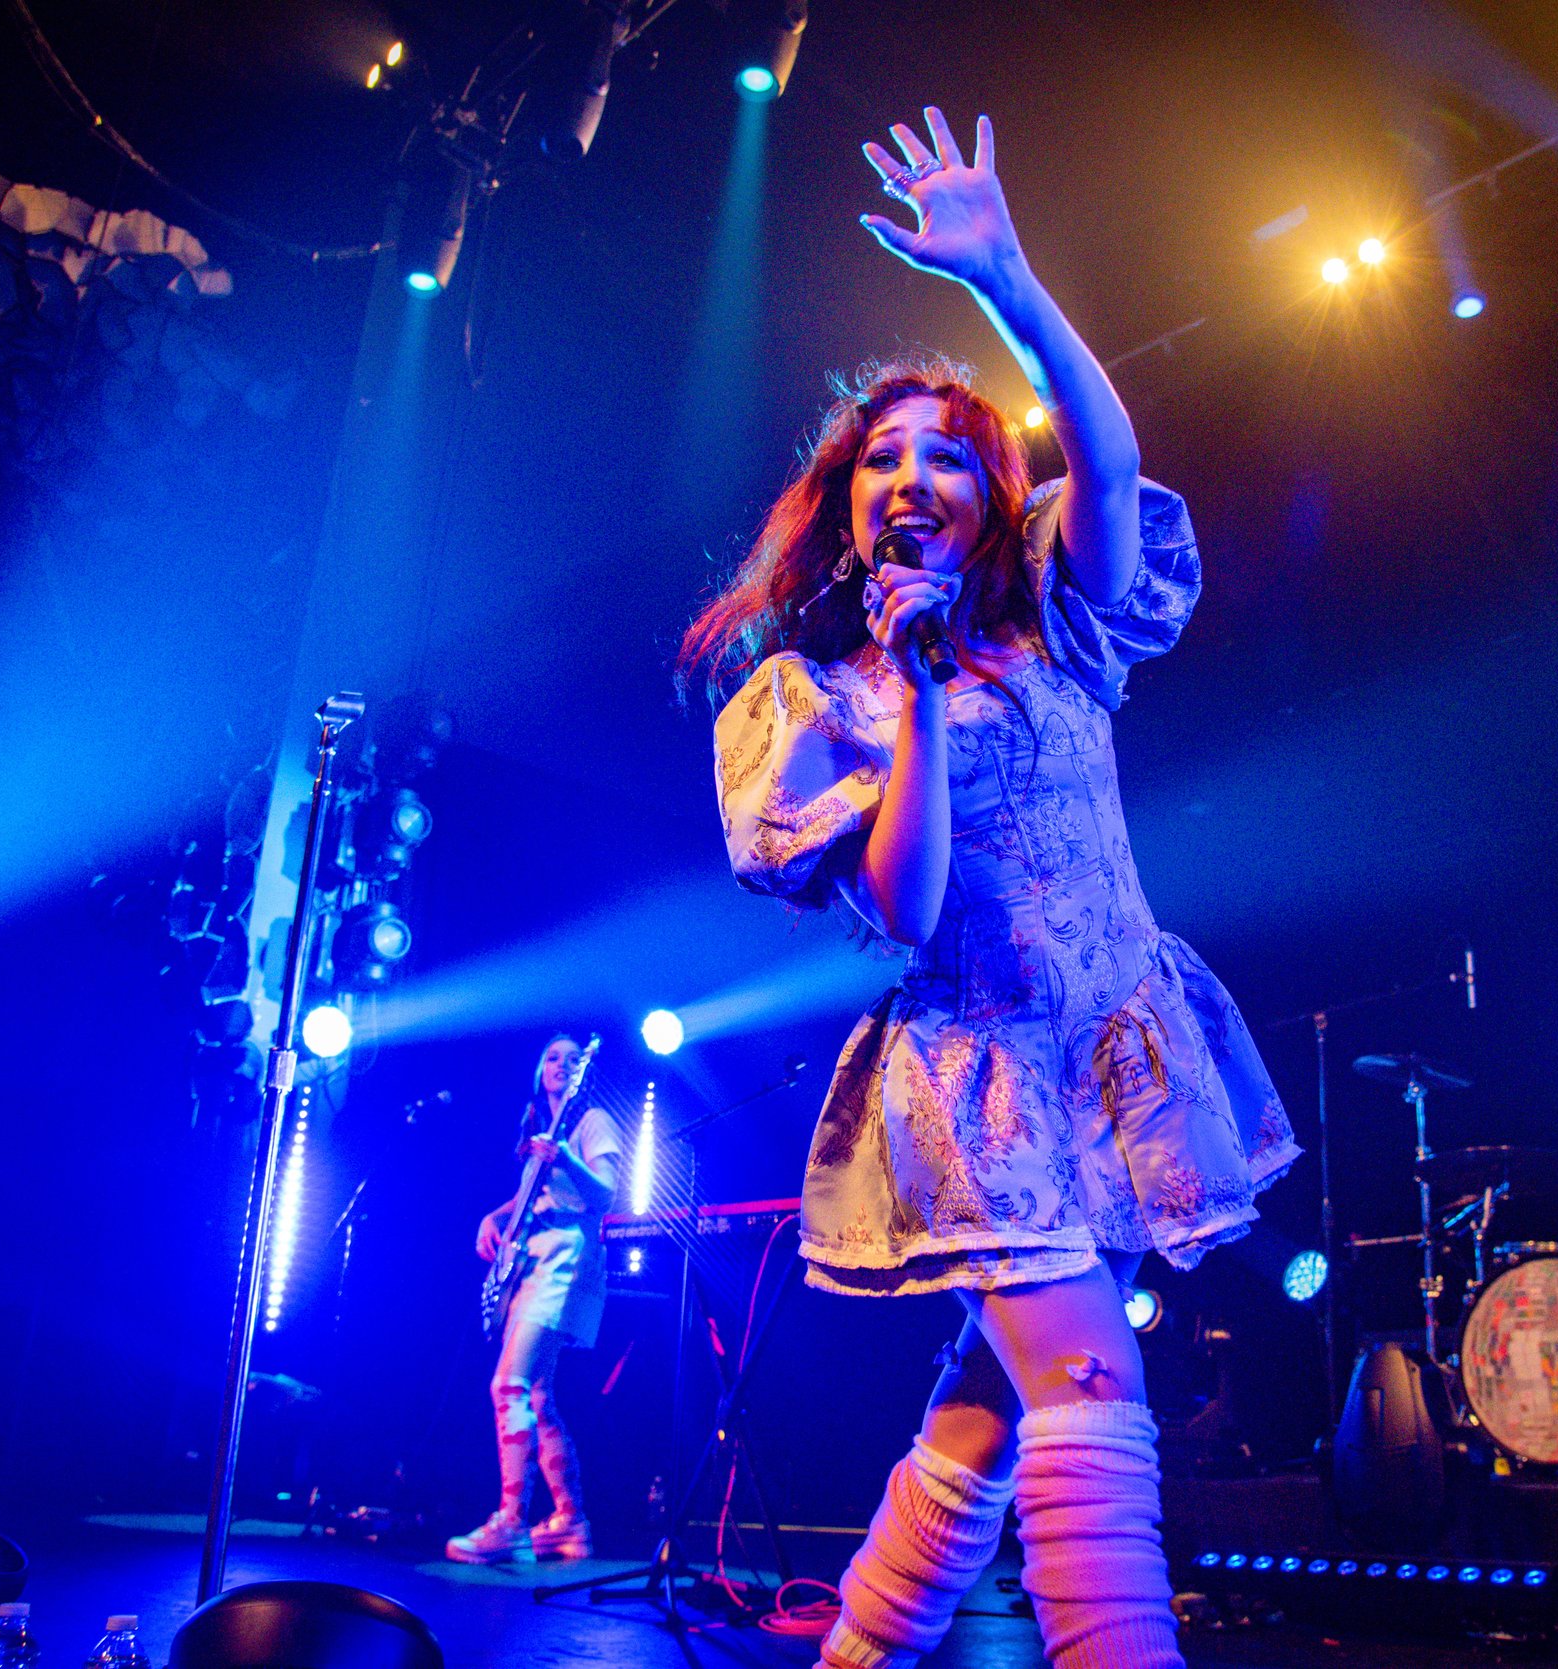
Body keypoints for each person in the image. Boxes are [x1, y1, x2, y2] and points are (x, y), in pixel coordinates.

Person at [682, 109, 1297, 1669]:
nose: (913, 476)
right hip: (982, 1077)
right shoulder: (828, 697)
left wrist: (1010, 278)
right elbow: (901, 906)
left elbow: (1111, 458)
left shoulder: (1065, 633)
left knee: (984, 1415)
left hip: (1112, 1045)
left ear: (986, 489)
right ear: (846, 504)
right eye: (881, 457)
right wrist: (913, 685)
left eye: (946, 452)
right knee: (1087, 1388)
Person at [447, 1032, 626, 1564]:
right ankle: (571, 1522)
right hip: (531, 1260)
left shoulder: (591, 1123)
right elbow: (533, 1194)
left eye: (572, 1059)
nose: (561, 1065)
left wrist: (567, 1156)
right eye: (552, 1057)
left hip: (564, 1261)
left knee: (510, 1385)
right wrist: (495, 1216)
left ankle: (510, 1523)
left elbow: (606, 1195)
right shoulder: (540, 1125)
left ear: (584, 1072)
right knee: (539, 1399)